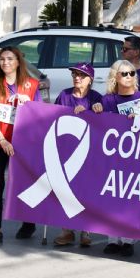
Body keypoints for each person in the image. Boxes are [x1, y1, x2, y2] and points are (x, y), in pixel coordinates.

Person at [0, 46, 43, 248]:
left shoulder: (32, 85)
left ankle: (29, 222)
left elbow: (40, 116)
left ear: (18, 62)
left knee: (23, 183)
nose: (5, 63)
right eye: (2, 60)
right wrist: (3, 141)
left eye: (9, 59)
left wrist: (29, 105)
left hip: (23, 142)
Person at [100, 60, 140, 257]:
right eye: (124, 74)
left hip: (136, 156)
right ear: (115, 77)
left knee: (130, 198)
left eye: (131, 73)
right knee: (112, 198)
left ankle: (128, 240)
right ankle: (112, 239)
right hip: (113, 156)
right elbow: (99, 126)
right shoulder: (108, 100)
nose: (129, 76)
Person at [53, 62, 103, 247]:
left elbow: (104, 123)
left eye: (81, 75)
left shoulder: (97, 98)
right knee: (66, 190)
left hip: (88, 152)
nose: (77, 77)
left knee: (86, 191)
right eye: (74, 74)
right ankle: (66, 230)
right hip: (67, 150)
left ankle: (86, 230)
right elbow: (53, 117)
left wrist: (94, 110)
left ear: (90, 79)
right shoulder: (64, 95)